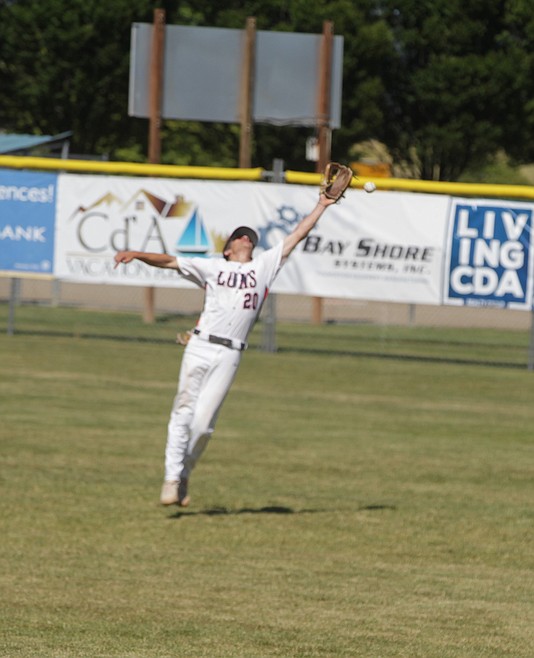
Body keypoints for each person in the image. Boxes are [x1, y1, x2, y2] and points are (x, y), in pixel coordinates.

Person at [114, 192, 337, 507]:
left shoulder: (263, 267)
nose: (246, 238)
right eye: (239, 236)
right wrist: (137, 253)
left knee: (204, 426)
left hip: (231, 354)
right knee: (183, 410)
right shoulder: (212, 268)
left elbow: (297, 235)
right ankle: (171, 478)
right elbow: (170, 261)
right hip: (200, 345)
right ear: (228, 248)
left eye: (251, 238)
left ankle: (184, 474)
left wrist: (322, 206)